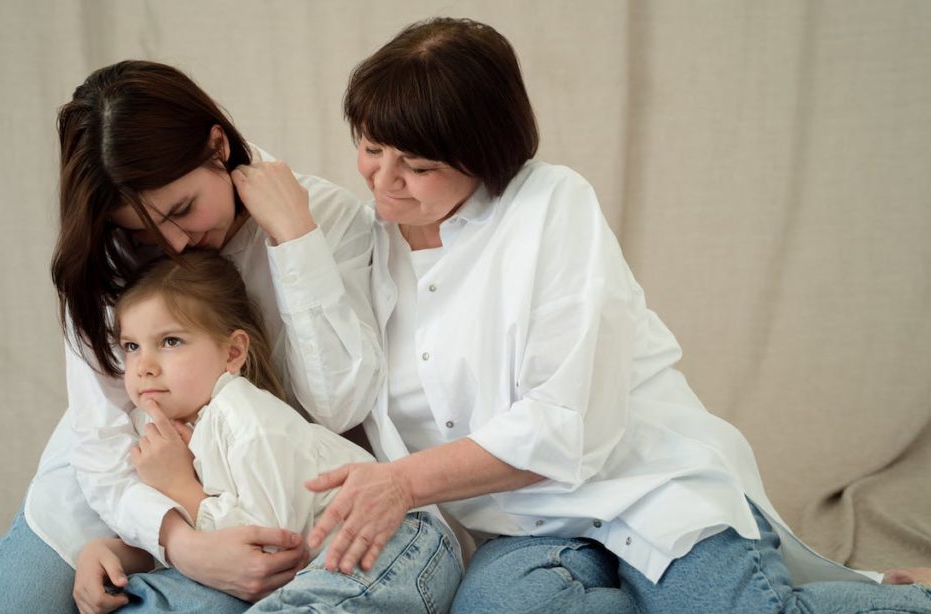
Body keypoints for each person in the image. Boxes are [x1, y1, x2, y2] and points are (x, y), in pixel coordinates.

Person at [300, 17, 931, 613]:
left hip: (645, 487)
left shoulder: (550, 204)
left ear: (485, 157)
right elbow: (218, 161)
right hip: (520, 527)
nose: (384, 181)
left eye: (418, 166)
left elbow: (564, 423)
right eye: (371, 147)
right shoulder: (364, 240)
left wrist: (403, 483)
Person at [0, 60, 382, 614]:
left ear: (217, 146)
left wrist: (294, 239)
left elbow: (338, 406)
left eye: (183, 209)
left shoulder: (323, 218)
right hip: (113, 490)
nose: (176, 243)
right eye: (145, 230)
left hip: (248, 501)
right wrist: (180, 544)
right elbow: (98, 439)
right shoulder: (107, 254)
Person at [72, 251, 460, 613]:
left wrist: (180, 488)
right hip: (314, 570)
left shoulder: (248, 420)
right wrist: (112, 551)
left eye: (170, 342)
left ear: (233, 353)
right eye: (132, 346)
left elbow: (267, 555)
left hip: (393, 539)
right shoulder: (154, 434)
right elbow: (191, 546)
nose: (144, 366)